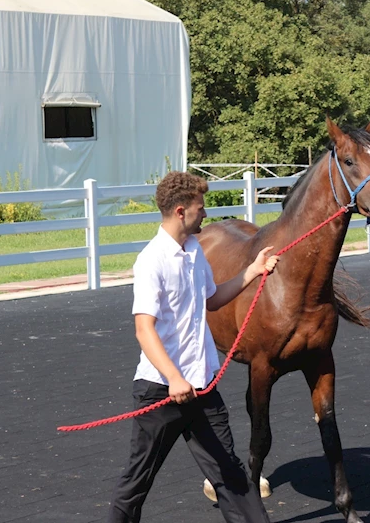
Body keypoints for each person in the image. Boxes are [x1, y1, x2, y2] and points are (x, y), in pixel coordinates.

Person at [108, 171, 278, 523]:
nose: (206, 214)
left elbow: (211, 298)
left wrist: (253, 271)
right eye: (201, 208)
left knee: (231, 474)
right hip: (160, 390)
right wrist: (174, 378)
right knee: (137, 481)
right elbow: (144, 329)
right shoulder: (152, 260)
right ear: (181, 211)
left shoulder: (195, 250)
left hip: (202, 387)